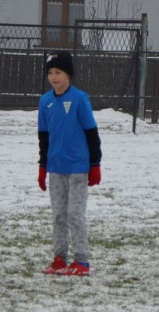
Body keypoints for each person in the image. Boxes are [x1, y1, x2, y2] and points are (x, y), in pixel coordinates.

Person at [38, 51, 102, 276]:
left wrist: (95, 164)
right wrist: (42, 166)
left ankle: (82, 261)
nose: (54, 77)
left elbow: (92, 134)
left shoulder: (79, 99)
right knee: (58, 215)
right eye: (50, 73)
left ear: (69, 75)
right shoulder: (45, 101)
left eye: (58, 72)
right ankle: (59, 258)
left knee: (75, 213)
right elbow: (44, 138)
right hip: (56, 169)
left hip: (77, 168)